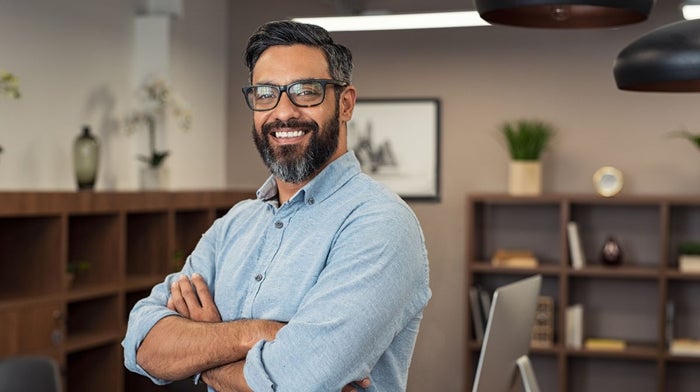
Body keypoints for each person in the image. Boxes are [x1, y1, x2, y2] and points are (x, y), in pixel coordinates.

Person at [122, 20, 431, 392]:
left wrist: (203, 350)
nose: (283, 112)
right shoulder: (234, 225)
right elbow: (142, 343)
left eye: (305, 91)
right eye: (266, 93)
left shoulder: (379, 223)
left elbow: (295, 382)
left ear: (345, 103)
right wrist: (258, 334)